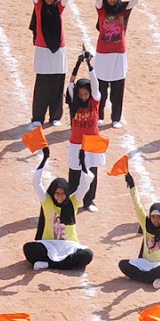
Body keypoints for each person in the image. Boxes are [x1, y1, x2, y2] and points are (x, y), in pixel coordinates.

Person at [26, 148, 95, 271]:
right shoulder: (47, 201)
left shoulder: (73, 201)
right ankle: (66, 264)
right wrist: (44, 159)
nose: (60, 196)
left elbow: (85, 184)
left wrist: (83, 163)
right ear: (53, 193)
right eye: (57, 193)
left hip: (69, 246)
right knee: (28, 249)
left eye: (63, 193)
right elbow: (36, 182)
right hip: (49, 244)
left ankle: (49, 264)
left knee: (87, 255)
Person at [28, 0, 72, 128]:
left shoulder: (59, 7)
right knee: (42, 84)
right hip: (42, 50)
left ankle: (55, 115)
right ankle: (38, 116)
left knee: (57, 83)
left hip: (59, 50)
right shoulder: (38, 5)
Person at [93, 0, 138, 127]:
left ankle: (116, 118)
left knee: (118, 88)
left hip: (119, 53)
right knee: (102, 87)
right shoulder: (101, 8)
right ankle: (99, 115)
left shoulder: (123, 8)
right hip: (103, 53)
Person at [118, 173, 160, 288]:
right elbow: (137, 205)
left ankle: (141, 276)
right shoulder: (146, 225)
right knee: (123, 264)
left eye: (158, 217)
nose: (155, 220)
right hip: (146, 263)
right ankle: (153, 279)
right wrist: (132, 187)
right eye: (153, 217)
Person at [64, 53, 104, 212]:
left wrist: (89, 65)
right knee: (75, 172)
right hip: (76, 142)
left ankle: (89, 201)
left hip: (92, 141)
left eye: (85, 94)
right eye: (80, 94)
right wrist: (77, 63)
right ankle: (72, 200)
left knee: (92, 171)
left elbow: (95, 84)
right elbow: (70, 84)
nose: (83, 96)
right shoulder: (74, 102)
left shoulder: (95, 101)